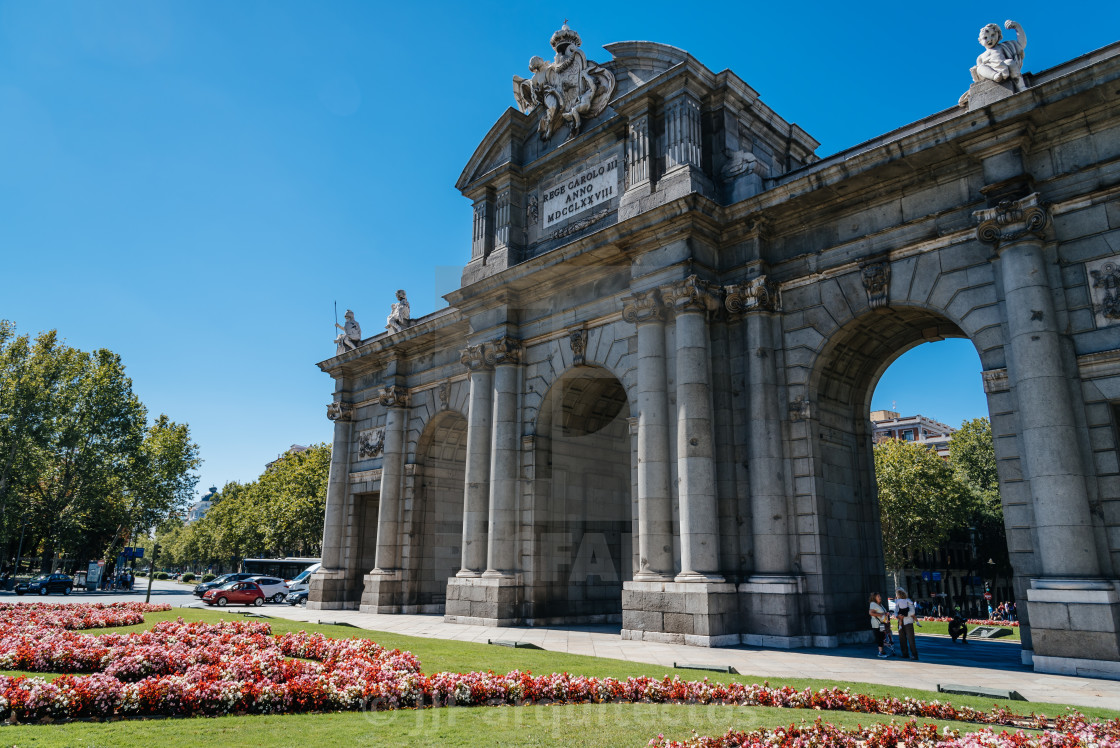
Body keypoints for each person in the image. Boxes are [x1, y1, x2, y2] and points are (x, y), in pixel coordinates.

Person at [894, 588, 919, 660]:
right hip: (900, 622)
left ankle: (914, 655)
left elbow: (912, 612)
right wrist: (897, 615)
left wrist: (903, 615)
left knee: (911, 639)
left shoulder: (908, 601)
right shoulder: (897, 602)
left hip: (908, 622)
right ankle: (905, 654)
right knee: (902, 639)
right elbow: (895, 611)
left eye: (897, 594)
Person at [869, 592, 891, 658]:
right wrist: (881, 614)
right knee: (879, 637)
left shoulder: (880, 605)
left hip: (882, 624)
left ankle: (882, 651)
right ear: (874, 598)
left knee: (882, 636)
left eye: (880, 596)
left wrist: (885, 614)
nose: (880, 597)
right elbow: (871, 613)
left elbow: (882, 612)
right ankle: (880, 652)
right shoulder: (873, 604)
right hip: (877, 624)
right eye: (878, 596)